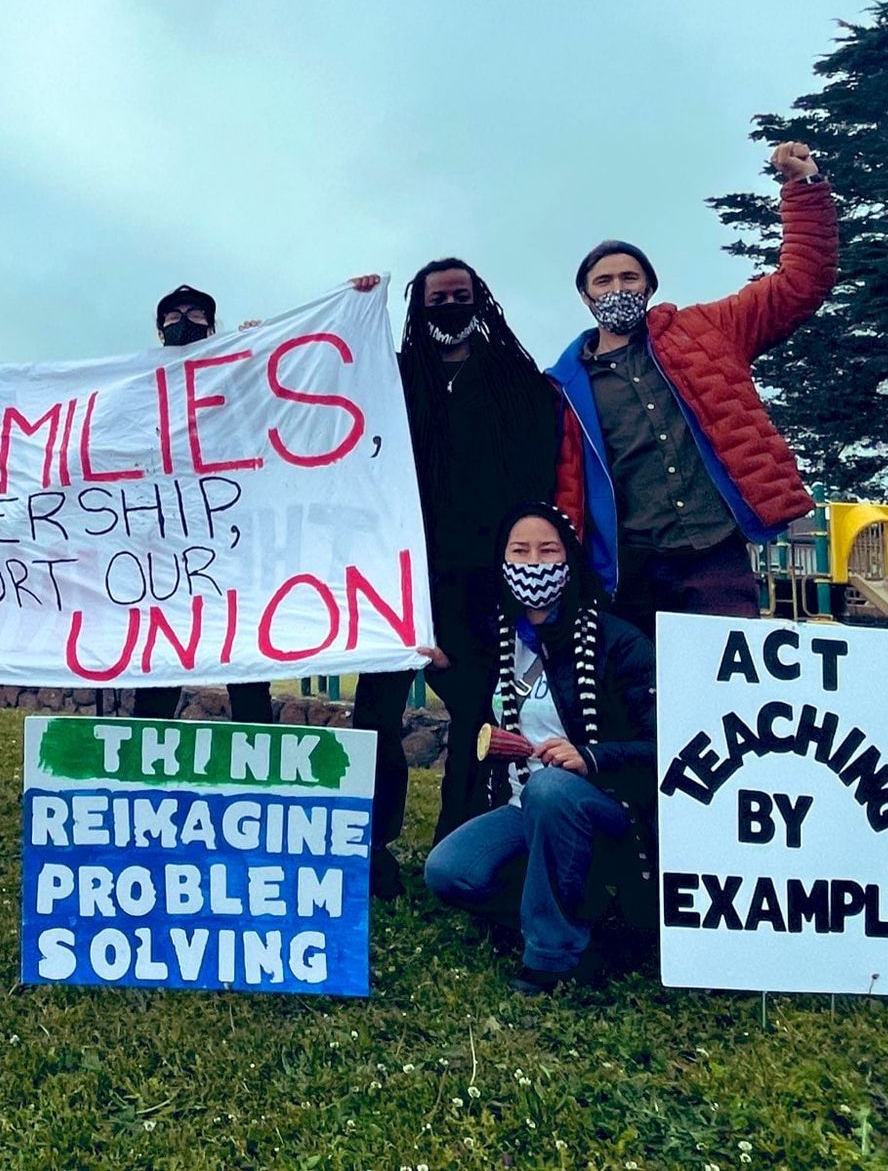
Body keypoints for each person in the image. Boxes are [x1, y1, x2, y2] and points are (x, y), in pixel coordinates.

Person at [550, 141, 838, 640]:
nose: (617, 289)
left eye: (629, 278)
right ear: (585, 296)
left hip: (714, 554)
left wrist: (803, 188)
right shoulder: (563, 386)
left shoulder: (709, 330)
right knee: (640, 683)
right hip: (630, 569)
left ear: (649, 288)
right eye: (603, 281)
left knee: (726, 679)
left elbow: (801, 283)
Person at [347, 264, 560, 898]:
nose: (448, 306)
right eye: (436, 298)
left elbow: (541, 471)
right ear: (418, 307)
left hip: (480, 583)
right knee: (375, 715)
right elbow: (326, 391)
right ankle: (370, 849)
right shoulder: (391, 379)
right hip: (396, 576)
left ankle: (460, 841)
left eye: (460, 297)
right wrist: (346, 313)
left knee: (476, 716)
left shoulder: (514, 380)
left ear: (480, 301)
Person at [424, 504, 656, 995]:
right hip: (522, 805)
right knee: (448, 871)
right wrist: (441, 668)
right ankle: (583, 914)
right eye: (520, 551)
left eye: (548, 550)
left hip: (604, 804)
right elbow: (474, 708)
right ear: (502, 561)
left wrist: (591, 757)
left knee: (550, 789)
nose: (533, 563)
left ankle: (551, 958)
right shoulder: (499, 638)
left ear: (570, 559)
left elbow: (661, 744)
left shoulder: (616, 641)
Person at [131, 284, 275, 725]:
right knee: (160, 667)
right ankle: (142, 758)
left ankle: (258, 757)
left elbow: (272, 407)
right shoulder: (137, 386)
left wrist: (262, 349)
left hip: (231, 547)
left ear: (212, 329)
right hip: (166, 553)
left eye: (196, 315)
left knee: (245, 668)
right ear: (160, 332)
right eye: (174, 316)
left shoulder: (234, 374)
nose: (184, 321)